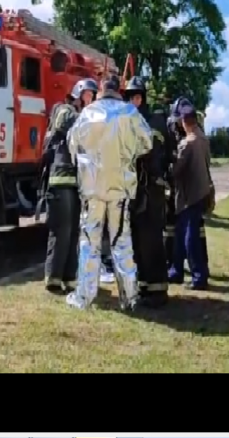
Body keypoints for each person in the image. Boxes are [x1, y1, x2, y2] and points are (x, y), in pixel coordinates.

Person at [66, 74, 153, 311]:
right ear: (119, 89)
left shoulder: (87, 113)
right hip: (120, 188)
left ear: (101, 89)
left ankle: (84, 297)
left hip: (92, 189)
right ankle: (130, 297)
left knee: (89, 242)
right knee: (121, 242)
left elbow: (72, 142)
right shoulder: (130, 114)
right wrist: (128, 154)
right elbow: (147, 142)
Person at [42, 77, 98, 294]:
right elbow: (70, 125)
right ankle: (53, 278)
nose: (91, 98)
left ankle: (69, 278)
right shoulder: (64, 110)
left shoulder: (85, 116)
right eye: (88, 95)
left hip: (76, 184)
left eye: (93, 96)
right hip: (60, 180)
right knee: (62, 229)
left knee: (74, 230)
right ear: (78, 93)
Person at [123, 75, 171, 308]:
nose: (131, 102)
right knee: (139, 239)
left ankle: (157, 291)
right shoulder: (142, 121)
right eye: (129, 98)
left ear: (140, 98)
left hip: (150, 188)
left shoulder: (150, 122)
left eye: (133, 97)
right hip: (142, 188)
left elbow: (147, 153)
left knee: (150, 239)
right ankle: (145, 287)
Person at [169, 106, 213, 290]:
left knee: (190, 238)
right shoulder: (203, 139)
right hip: (202, 192)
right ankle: (176, 271)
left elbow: (176, 171)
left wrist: (169, 162)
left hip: (190, 196)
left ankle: (198, 277)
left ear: (183, 121)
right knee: (181, 234)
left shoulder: (187, 143)